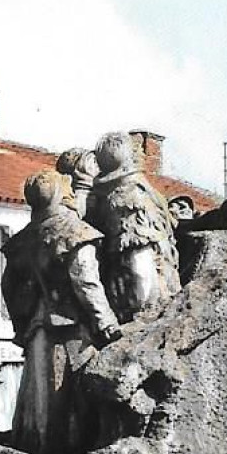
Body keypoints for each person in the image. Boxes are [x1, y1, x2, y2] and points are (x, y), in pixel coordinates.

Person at [1, 170, 122, 454]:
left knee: (36, 401)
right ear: (62, 194)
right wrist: (107, 324)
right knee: (68, 402)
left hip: (35, 329)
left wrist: (23, 322)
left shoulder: (22, 241)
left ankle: (34, 449)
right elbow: (86, 283)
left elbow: (8, 288)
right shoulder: (73, 233)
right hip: (71, 331)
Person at [86, 131, 181, 324]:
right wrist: (145, 314)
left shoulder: (107, 198)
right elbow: (140, 265)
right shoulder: (129, 197)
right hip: (150, 309)